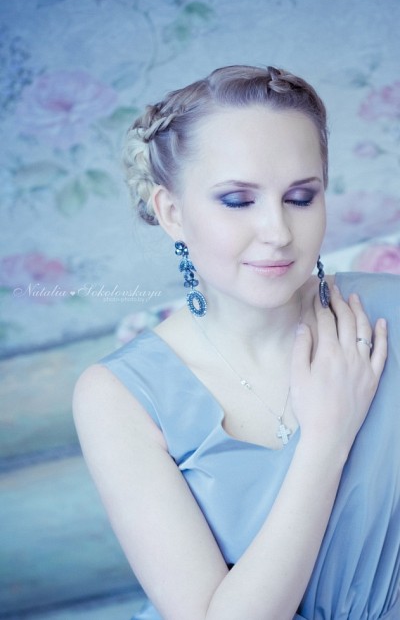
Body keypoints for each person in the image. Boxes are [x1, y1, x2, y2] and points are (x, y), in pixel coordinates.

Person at [73, 65, 400, 620]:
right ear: (172, 213)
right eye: (237, 200)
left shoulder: (388, 314)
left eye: (300, 197)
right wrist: (326, 439)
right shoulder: (118, 395)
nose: (278, 231)